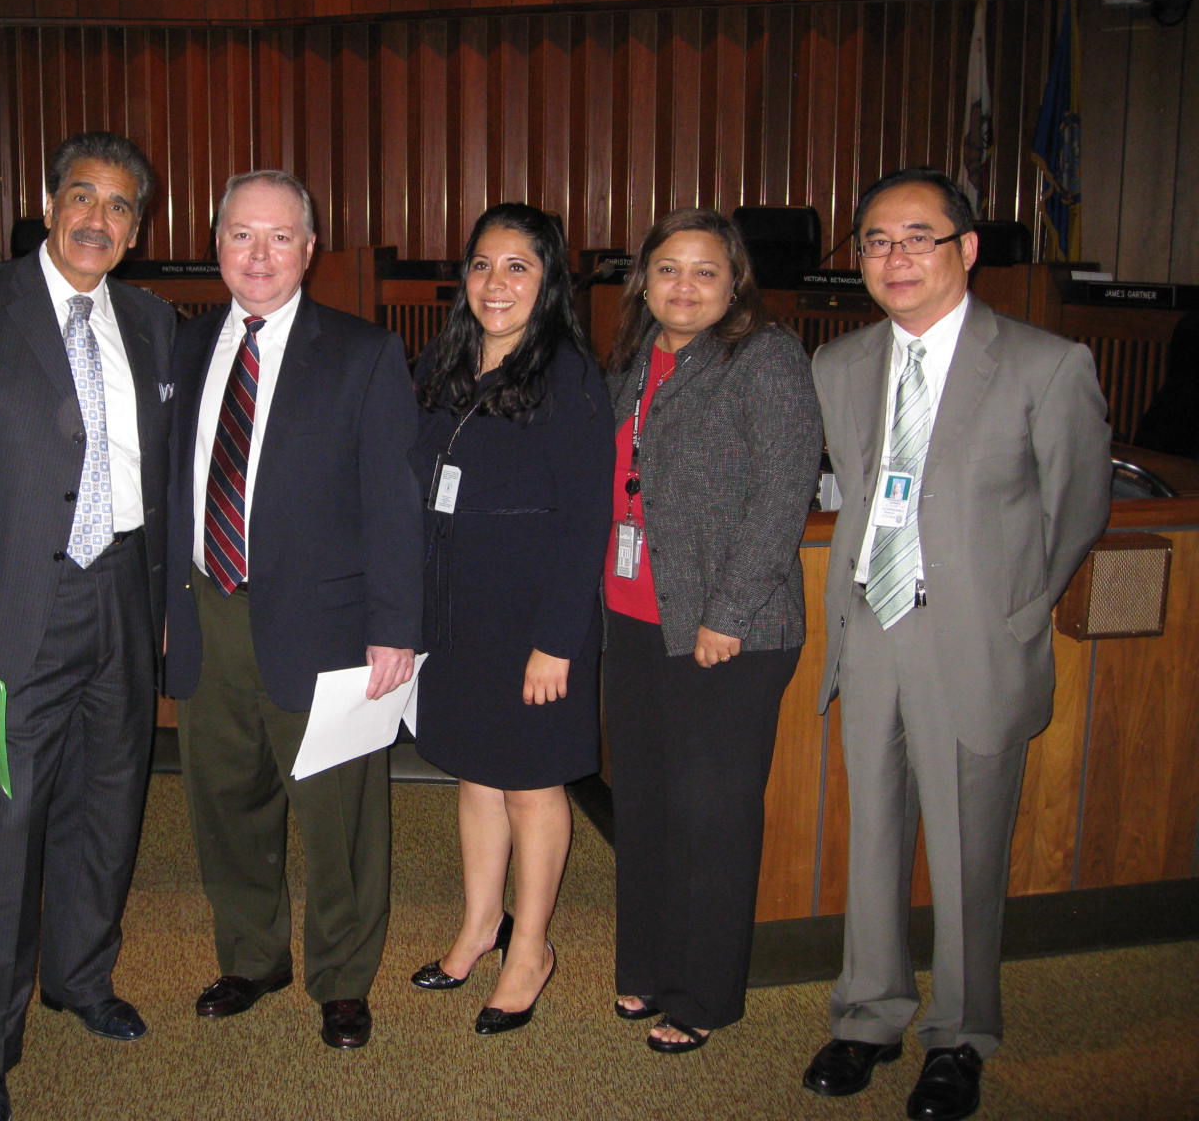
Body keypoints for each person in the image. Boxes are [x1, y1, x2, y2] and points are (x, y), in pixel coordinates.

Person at [803, 168, 1109, 1121]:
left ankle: (962, 1034)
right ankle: (868, 1014)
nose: (896, 258)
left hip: (975, 638)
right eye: (876, 242)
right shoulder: (839, 365)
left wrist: (1019, 610)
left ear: (966, 250)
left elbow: (1079, 506)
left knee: (971, 853)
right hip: (873, 630)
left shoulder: (1044, 364)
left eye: (918, 238)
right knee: (876, 838)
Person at [0, 132, 175, 1121]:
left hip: (124, 600)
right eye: (83, 198)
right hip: (12, 607)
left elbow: (168, 480)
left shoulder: (151, 321)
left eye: (121, 207)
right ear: (49, 202)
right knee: (7, 823)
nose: (99, 220)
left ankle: (81, 979)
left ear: (138, 229)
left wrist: (166, 611)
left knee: (109, 801)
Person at [165, 170, 423, 1051]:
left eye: (281, 237)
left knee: (338, 815)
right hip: (209, 613)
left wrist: (395, 628)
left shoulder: (364, 352)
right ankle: (251, 956)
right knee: (224, 802)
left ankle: (343, 979)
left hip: (326, 625)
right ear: (218, 246)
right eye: (242, 234)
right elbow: (172, 490)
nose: (260, 254)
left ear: (311, 250)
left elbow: (394, 502)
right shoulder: (186, 347)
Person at [602, 209, 822, 1054]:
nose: (683, 286)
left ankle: (704, 995)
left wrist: (726, 614)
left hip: (727, 632)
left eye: (703, 271)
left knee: (712, 817)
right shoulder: (632, 358)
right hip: (632, 617)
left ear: (735, 281)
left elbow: (782, 494)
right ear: (643, 280)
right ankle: (649, 965)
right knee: (648, 807)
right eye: (667, 269)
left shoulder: (765, 358)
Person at [406, 203, 613, 1036]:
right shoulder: (443, 363)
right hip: (455, 615)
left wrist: (557, 640)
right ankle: (478, 926)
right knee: (475, 774)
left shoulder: (568, 376)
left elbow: (585, 520)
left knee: (531, 786)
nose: (497, 284)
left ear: (549, 280)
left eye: (519, 267)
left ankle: (530, 947)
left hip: (532, 623)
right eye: (483, 265)